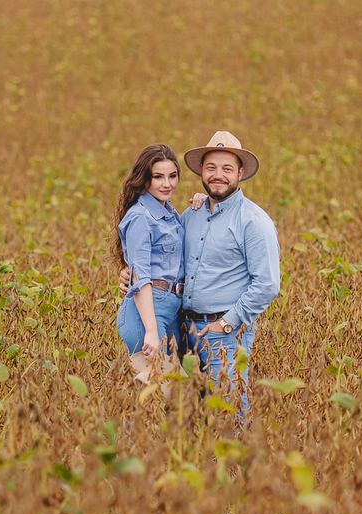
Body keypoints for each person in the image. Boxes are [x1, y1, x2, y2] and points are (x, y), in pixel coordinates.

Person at [120, 131, 280, 416]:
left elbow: (266, 285)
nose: (218, 175)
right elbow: (163, 261)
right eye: (211, 168)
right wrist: (129, 277)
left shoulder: (253, 221)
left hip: (225, 335)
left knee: (228, 411)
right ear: (201, 173)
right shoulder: (189, 215)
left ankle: (233, 463)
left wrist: (226, 323)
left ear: (240, 173)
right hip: (183, 331)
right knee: (185, 412)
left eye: (227, 169)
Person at [111, 144, 205, 386]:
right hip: (147, 315)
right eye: (158, 177)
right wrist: (151, 331)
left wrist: (203, 202)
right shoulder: (141, 217)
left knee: (168, 395)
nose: (167, 184)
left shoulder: (169, 213)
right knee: (165, 394)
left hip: (171, 309)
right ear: (144, 180)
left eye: (172, 176)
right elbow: (140, 277)